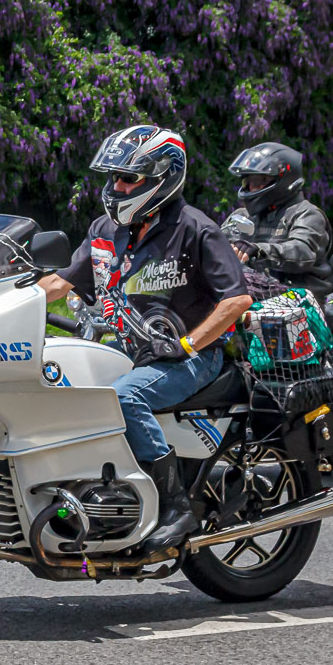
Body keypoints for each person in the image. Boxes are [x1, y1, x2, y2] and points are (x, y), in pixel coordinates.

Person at [37, 125, 253, 554]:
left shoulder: (195, 229)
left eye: (127, 178)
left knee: (124, 398)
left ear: (163, 177)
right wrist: (3, 303)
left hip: (191, 357)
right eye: (113, 177)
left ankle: (174, 506)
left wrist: (187, 344)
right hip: (130, 348)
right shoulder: (106, 229)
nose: (116, 187)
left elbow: (237, 300)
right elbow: (60, 283)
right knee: (59, 377)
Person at [222, 142, 331, 282]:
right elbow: (215, 245)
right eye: (248, 182)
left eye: (260, 181)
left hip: (298, 291)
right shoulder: (242, 217)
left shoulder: (307, 214)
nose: (252, 187)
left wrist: (259, 250)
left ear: (286, 179)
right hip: (251, 289)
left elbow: (302, 252)